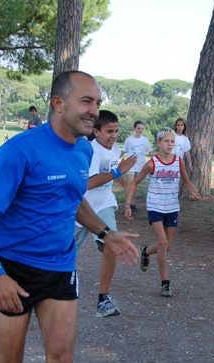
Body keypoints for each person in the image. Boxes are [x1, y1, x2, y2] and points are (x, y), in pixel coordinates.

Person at [0, 71, 138, 363]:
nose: (94, 110)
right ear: (58, 103)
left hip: (60, 268)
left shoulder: (83, 152)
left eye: (97, 103)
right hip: (14, 270)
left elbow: (71, 199)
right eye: (86, 101)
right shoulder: (20, 150)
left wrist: (105, 232)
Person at [74, 110, 137, 317]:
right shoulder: (91, 151)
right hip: (81, 209)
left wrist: (117, 175)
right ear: (96, 131)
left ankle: (104, 299)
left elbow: (110, 168)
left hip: (104, 206)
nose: (114, 135)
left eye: (116, 130)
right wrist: (117, 172)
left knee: (111, 244)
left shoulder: (115, 149)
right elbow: (89, 182)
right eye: (109, 131)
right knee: (60, 254)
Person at [124, 127, 201, 297]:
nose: (169, 144)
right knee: (163, 243)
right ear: (158, 143)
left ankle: (145, 251)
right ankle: (165, 284)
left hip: (172, 207)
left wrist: (194, 193)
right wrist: (128, 204)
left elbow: (186, 181)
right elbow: (135, 182)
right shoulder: (152, 163)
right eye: (166, 141)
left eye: (172, 141)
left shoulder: (178, 161)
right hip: (155, 206)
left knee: (166, 246)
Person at [120, 120, 155, 213]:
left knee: (135, 186)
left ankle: (132, 204)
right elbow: (123, 151)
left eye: (142, 129)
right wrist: (115, 160)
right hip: (131, 165)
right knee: (131, 185)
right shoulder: (129, 139)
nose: (140, 130)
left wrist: (162, 153)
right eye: (138, 128)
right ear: (134, 128)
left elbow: (150, 152)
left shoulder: (145, 140)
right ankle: (126, 206)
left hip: (141, 166)